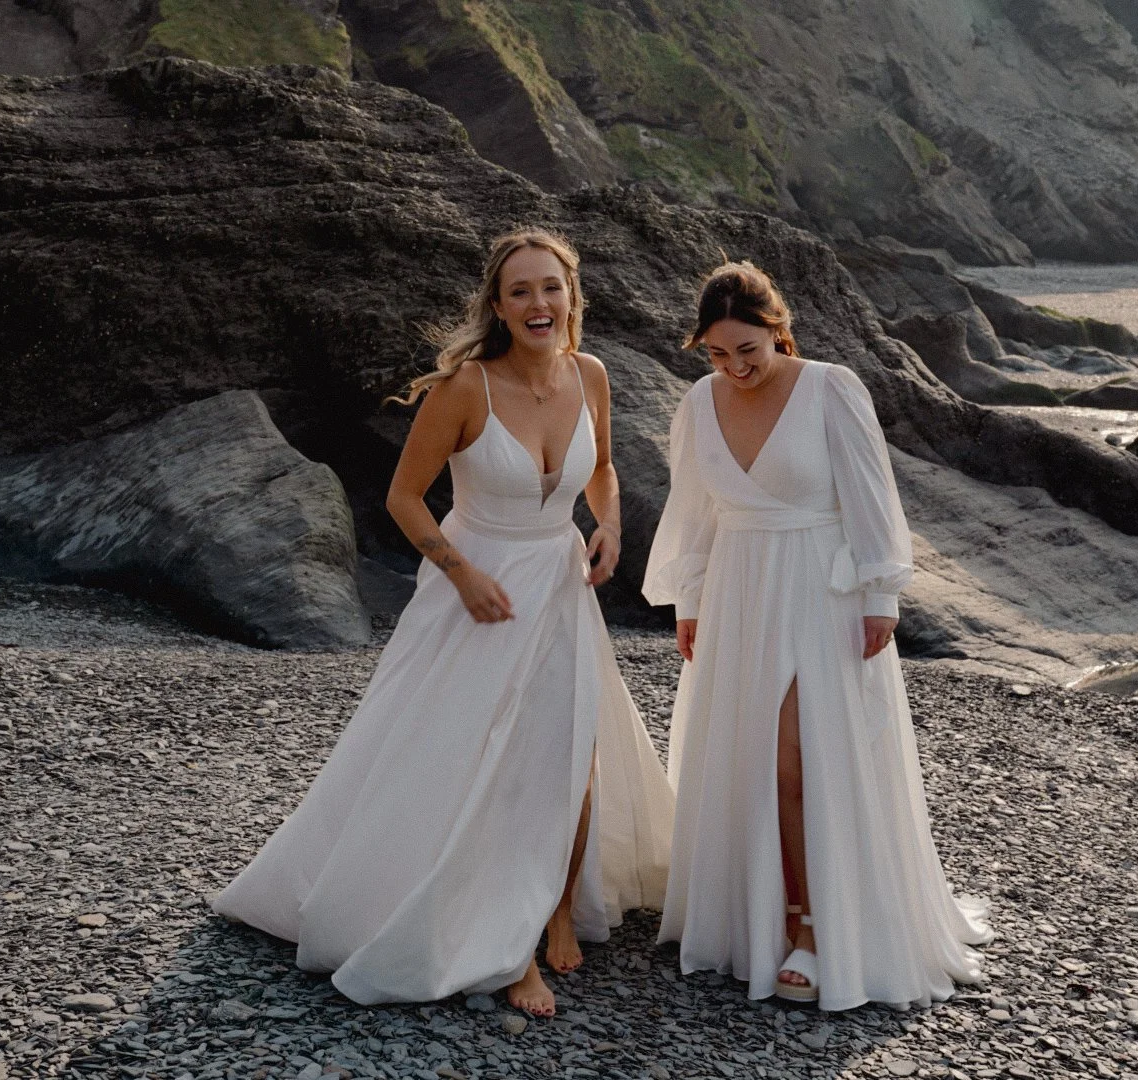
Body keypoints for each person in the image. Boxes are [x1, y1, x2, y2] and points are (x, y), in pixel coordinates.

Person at [213, 228, 673, 1018]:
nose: (539, 304)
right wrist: (462, 575)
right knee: (477, 760)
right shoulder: (464, 387)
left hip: (559, 582)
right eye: (521, 291)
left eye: (551, 288)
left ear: (572, 297)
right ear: (497, 305)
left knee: (573, 755)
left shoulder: (590, 374)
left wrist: (610, 530)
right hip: (478, 586)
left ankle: (557, 906)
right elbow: (402, 498)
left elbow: (600, 470)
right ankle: (509, 942)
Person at [642, 260, 990, 1010]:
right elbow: (695, 512)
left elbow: (871, 492)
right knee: (746, 758)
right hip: (737, 590)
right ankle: (758, 918)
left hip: (816, 590)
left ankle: (816, 929)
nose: (734, 368)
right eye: (717, 354)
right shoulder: (699, 403)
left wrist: (880, 593)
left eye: (748, 351)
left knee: (801, 759)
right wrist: (688, 603)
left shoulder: (831, 387)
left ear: (779, 331)